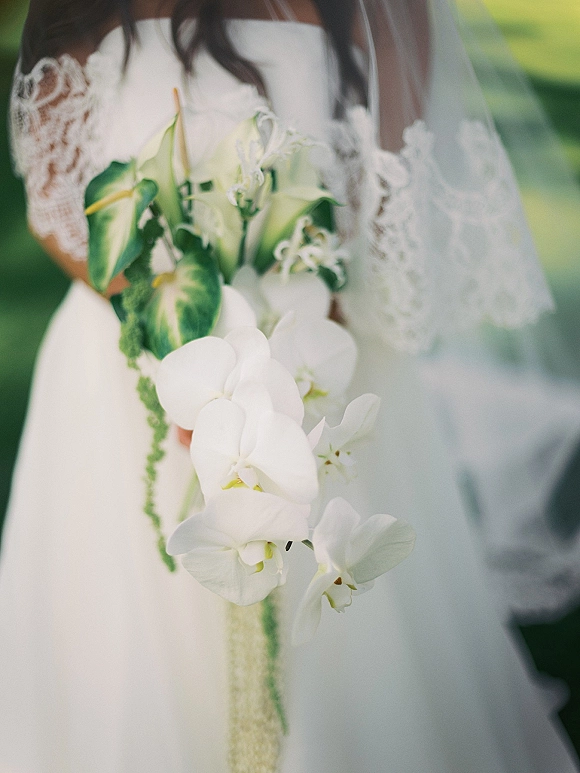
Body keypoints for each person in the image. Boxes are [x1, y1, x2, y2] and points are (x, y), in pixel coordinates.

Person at [2, 0, 579, 770]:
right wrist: (182, 345)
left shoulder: (386, 9)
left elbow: (389, 222)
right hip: (123, 375)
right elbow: (52, 192)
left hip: (315, 375)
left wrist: (276, 364)